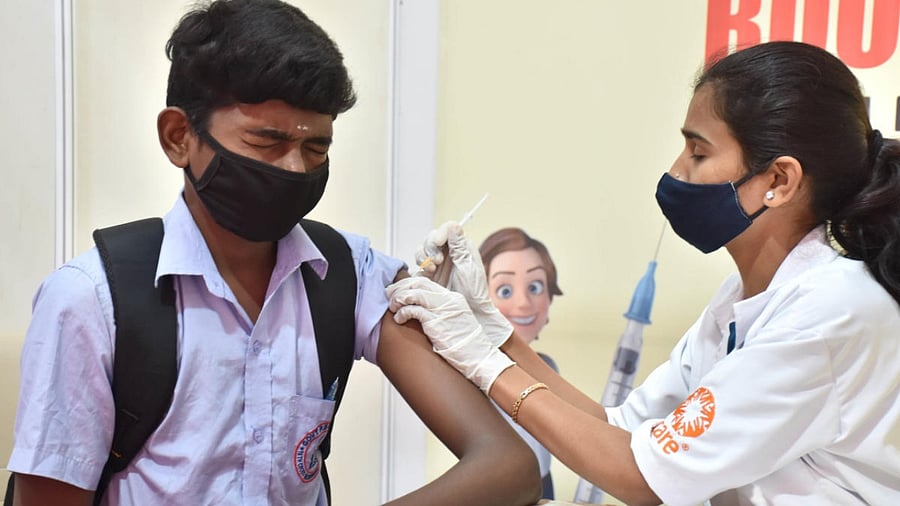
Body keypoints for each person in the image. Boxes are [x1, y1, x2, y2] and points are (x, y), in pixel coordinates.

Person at [5, 1, 542, 505]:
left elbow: (508, 466)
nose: (294, 169)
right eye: (266, 142)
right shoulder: (92, 302)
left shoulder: (349, 277)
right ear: (178, 137)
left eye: (316, 147)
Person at [390, 41, 900, 505]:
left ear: (779, 180)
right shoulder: (742, 300)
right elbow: (622, 428)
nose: (676, 171)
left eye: (698, 153)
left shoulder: (830, 313)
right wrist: (493, 331)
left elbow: (642, 476)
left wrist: (482, 363)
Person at [480, 227, 564, 499]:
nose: (523, 303)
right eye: (505, 290)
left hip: (543, 487)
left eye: (535, 287)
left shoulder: (548, 367)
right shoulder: (475, 374)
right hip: (497, 491)